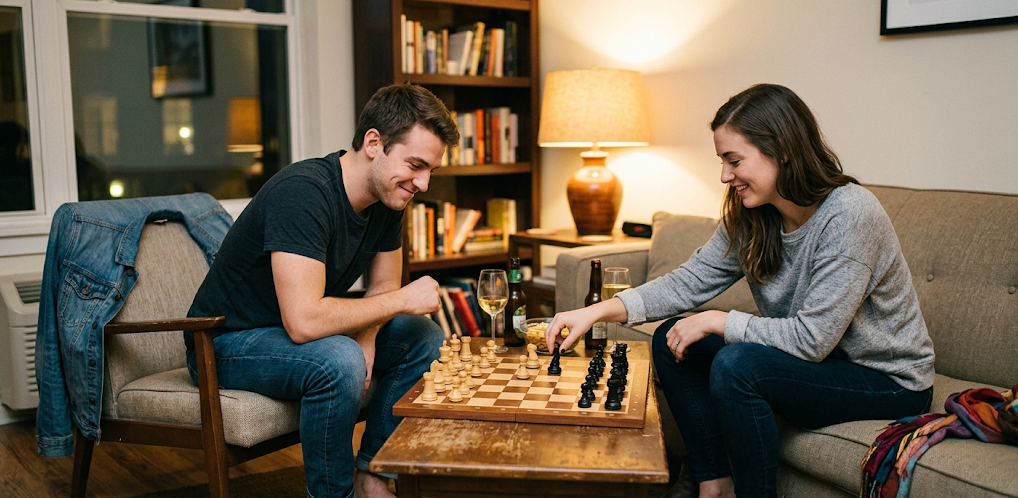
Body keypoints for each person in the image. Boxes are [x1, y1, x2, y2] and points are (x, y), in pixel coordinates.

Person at [545, 84, 935, 498]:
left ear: (782, 151)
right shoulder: (754, 215)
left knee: (736, 364)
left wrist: (719, 320)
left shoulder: (851, 214)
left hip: (887, 380)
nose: (724, 175)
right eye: (722, 161)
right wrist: (596, 312)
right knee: (671, 339)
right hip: (820, 365)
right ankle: (715, 485)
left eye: (734, 161)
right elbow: (689, 281)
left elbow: (813, 339)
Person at [186, 83, 458, 498]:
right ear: (373, 142)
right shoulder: (303, 192)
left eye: (430, 172)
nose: (422, 184)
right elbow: (305, 322)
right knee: (338, 357)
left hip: (287, 328)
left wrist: (368, 336)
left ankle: (372, 474)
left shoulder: (389, 196)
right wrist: (403, 301)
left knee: (421, 337)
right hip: (224, 341)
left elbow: (383, 284)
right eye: (415, 165)